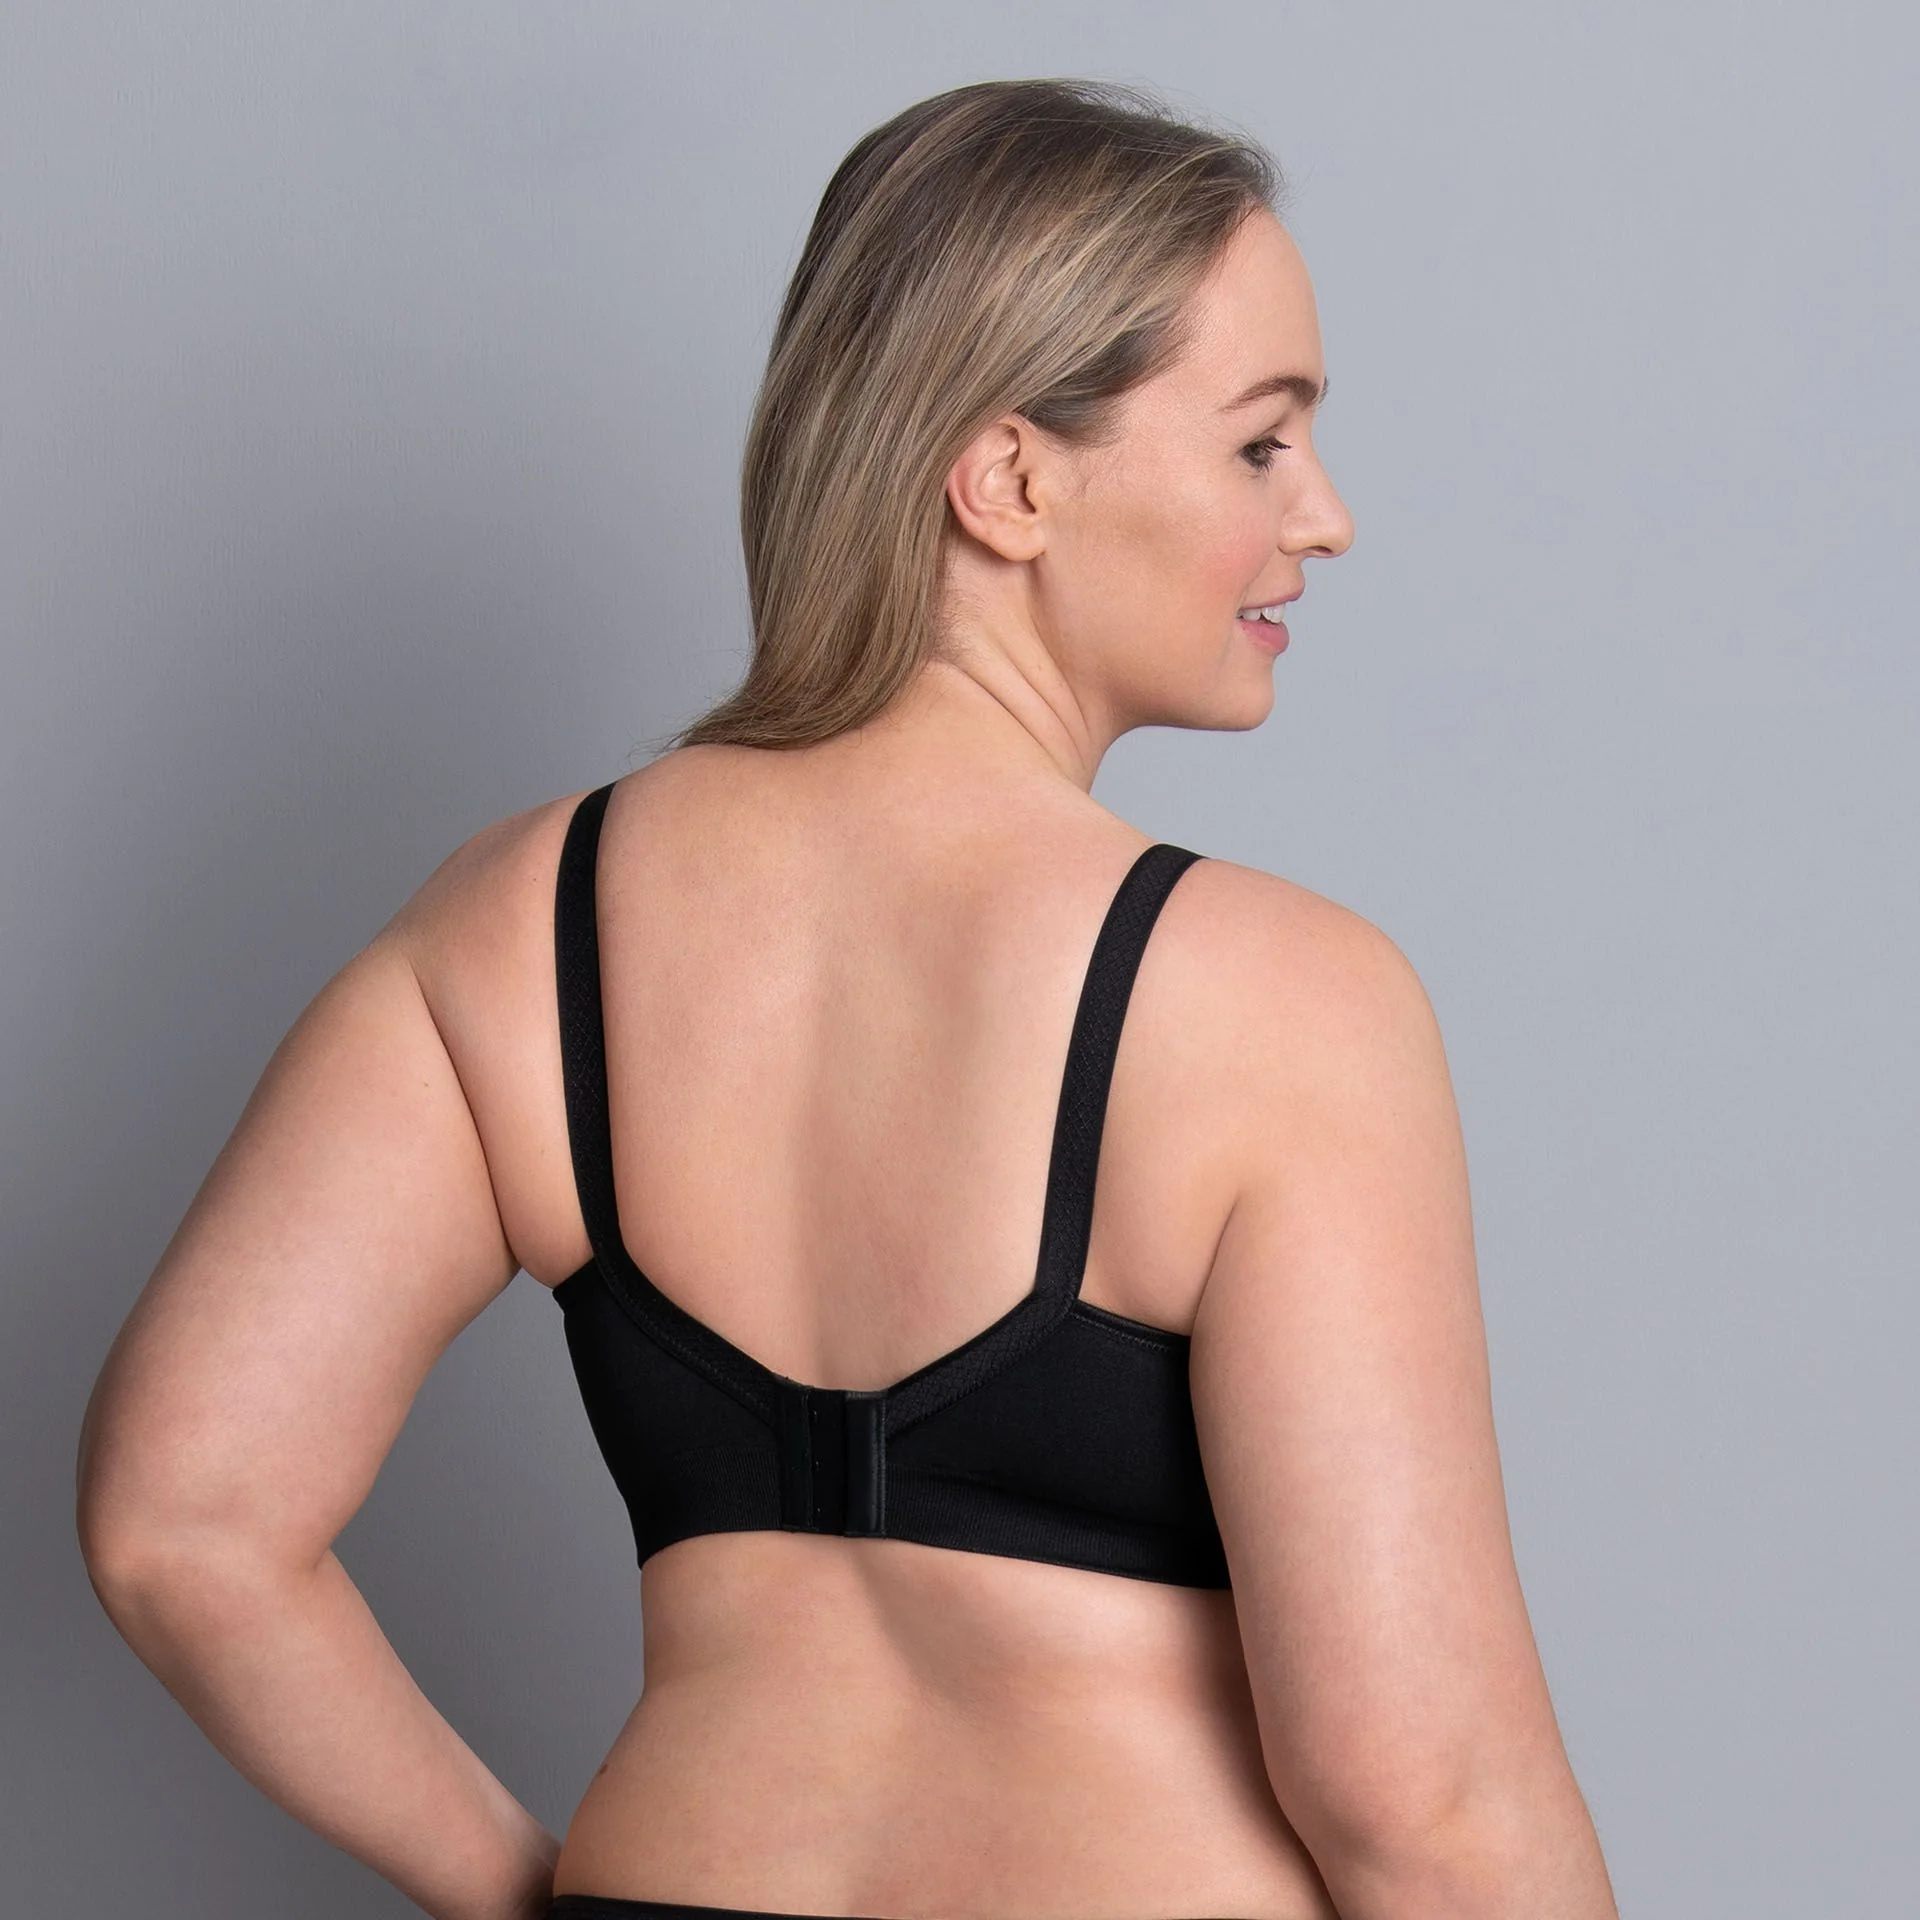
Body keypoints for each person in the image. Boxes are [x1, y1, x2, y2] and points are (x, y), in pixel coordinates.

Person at [75, 76, 1619, 1920]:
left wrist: (523, 1893)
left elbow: (185, 1523)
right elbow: (1420, 1794)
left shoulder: (514, 929)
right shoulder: (1279, 1001)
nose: (1330, 516)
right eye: (1262, 445)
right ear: (1012, 480)